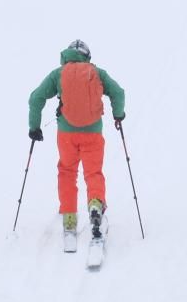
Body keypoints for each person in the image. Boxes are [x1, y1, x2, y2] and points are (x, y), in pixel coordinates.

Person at [28, 40, 125, 250]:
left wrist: (34, 127)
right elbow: (118, 92)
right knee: (93, 173)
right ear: (87, 56)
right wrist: (119, 114)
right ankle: (96, 205)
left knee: (67, 171)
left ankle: (69, 217)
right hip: (92, 133)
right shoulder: (97, 73)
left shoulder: (58, 74)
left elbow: (35, 98)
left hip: (66, 135)